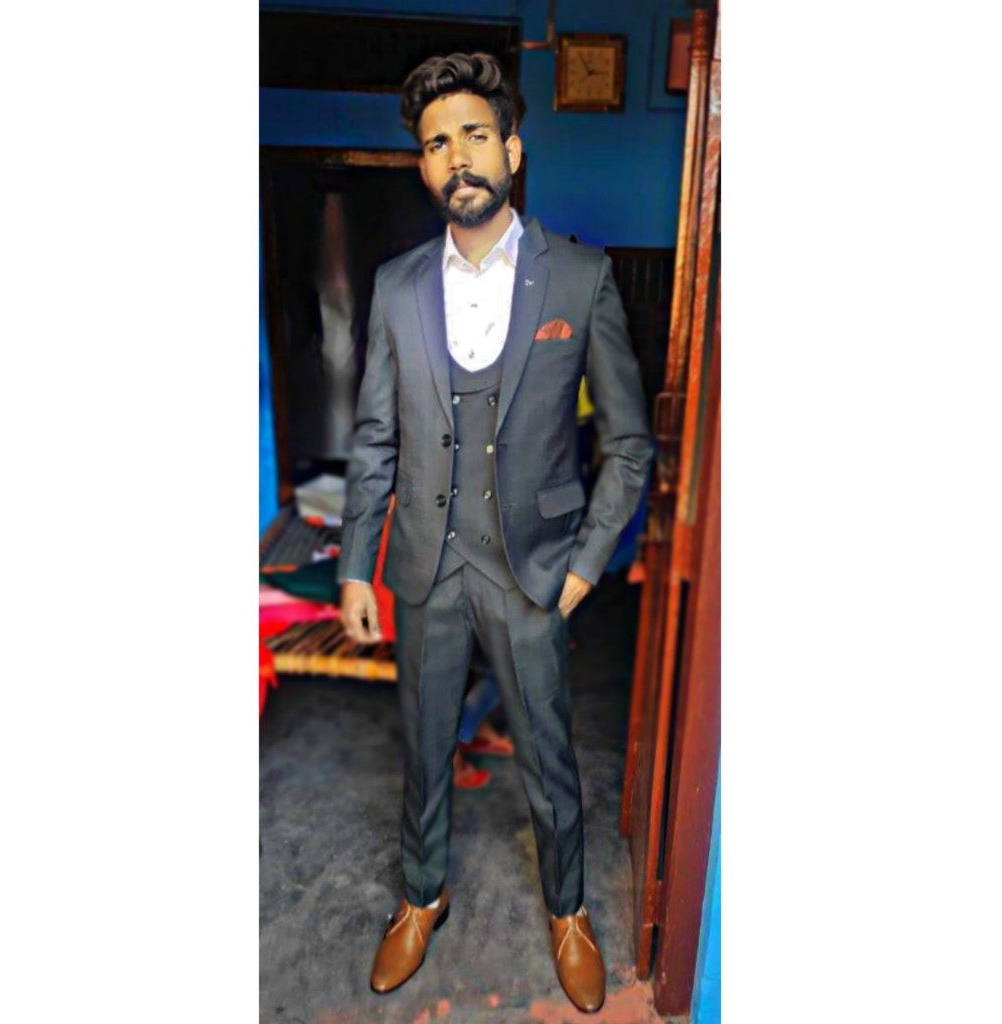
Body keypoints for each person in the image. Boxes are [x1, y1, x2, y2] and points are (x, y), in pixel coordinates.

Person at [338, 51, 652, 1014]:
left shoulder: (581, 279)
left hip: (534, 573)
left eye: (475, 134)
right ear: (424, 166)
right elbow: (377, 437)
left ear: (511, 150)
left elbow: (629, 445)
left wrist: (585, 566)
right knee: (423, 746)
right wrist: (353, 569)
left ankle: (569, 911)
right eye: (437, 143)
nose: (457, 156)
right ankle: (420, 895)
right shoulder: (396, 287)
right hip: (425, 567)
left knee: (550, 758)